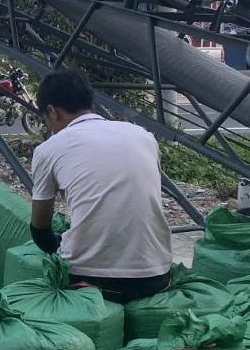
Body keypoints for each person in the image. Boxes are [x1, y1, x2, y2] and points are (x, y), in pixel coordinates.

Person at [29, 67, 172, 304]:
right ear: (90, 104)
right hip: (156, 274)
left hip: (92, 280)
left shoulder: (49, 149)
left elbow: (39, 227)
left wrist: (58, 247)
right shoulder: (143, 136)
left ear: (52, 111)